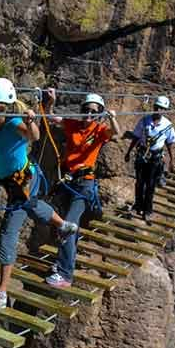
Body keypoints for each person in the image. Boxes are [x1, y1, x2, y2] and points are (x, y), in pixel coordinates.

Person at [0, 78, 78, 312]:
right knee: (32, 207)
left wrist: (32, 121)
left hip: (24, 180)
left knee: (8, 233)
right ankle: (63, 225)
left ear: (7, 106)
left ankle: (1, 292)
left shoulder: (14, 122)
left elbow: (33, 136)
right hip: (12, 182)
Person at [43, 89, 120, 288]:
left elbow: (116, 133)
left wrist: (111, 119)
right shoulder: (73, 125)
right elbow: (52, 117)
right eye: (86, 110)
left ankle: (66, 274)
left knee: (68, 226)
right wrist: (51, 101)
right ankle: (64, 264)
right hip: (68, 181)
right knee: (69, 226)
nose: (88, 115)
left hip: (85, 184)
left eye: (93, 112)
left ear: (98, 114)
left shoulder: (99, 130)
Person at [125, 95, 175, 220]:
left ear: (165, 111)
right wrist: (128, 152)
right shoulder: (144, 121)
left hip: (155, 157)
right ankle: (138, 206)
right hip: (142, 155)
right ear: (154, 107)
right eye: (157, 107)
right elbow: (136, 137)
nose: (159, 110)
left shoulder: (167, 125)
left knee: (150, 184)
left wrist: (172, 160)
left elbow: (169, 143)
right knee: (139, 182)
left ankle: (148, 210)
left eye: (162, 109)